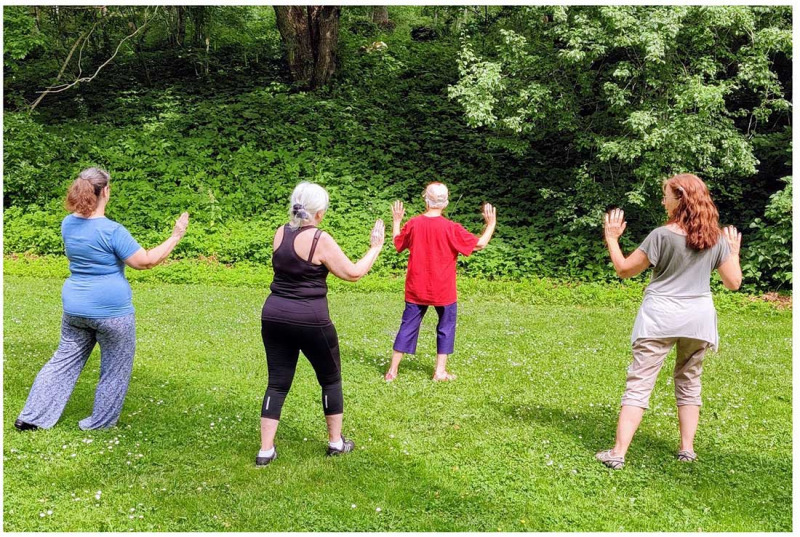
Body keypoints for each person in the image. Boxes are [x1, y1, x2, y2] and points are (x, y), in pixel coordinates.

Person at [15, 167, 189, 432]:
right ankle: (100, 424)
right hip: (112, 313)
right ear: (105, 191)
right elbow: (146, 262)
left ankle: (31, 417)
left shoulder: (67, 223)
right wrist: (176, 235)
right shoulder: (112, 231)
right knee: (115, 369)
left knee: (62, 362)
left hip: (75, 309)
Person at [596, 173, 742, 469]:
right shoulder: (715, 239)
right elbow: (733, 283)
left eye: (666, 196)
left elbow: (625, 270)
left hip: (660, 318)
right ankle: (687, 449)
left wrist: (611, 239)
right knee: (689, 381)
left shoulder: (661, 235)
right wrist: (734, 253)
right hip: (697, 320)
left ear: (680, 199)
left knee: (639, 382)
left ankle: (618, 453)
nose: (663, 202)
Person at [257, 182, 385, 467]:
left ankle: (265, 451)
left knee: (277, 383)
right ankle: (335, 443)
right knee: (330, 378)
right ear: (319, 212)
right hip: (310, 318)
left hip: (274, 314)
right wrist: (375, 248)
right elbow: (353, 274)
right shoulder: (319, 239)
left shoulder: (280, 232)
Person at [384, 182, 497, 382]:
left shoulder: (413, 223)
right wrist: (490, 224)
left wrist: (396, 221)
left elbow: (397, 243)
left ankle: (392, 371)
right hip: (443, 290)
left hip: (416, 288)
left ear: (425, 200)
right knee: (446, 327)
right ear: (445, 203)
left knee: (407, 326)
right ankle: (440, 372)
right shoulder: (450, 228)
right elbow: (479, 244)